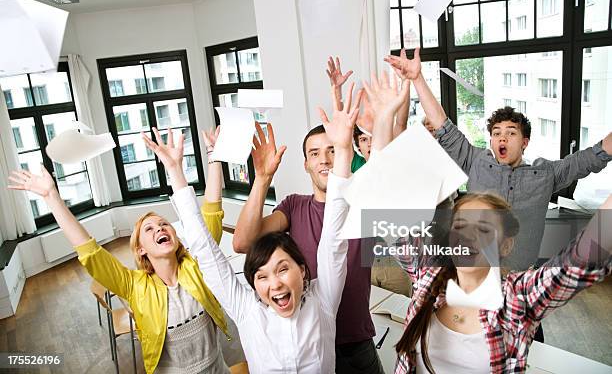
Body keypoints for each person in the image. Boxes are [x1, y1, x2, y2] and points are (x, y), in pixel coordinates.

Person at [364, 88, 612, 373]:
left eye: (483, 228)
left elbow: (584, 260)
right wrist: (383, 123)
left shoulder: (519, 300)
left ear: (505, 244)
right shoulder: (426, 277)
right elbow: (383, 204)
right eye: (461, 225)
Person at [145, 84, 359, 373]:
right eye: (262, 276)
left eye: (283, 269)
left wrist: (345, 150)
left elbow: (333, 238)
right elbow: (205, 252)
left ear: (303, 270)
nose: (275, 284)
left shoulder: (322, 299)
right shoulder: (246, 310)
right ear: (254, 285)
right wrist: (175, 172)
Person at [7, 128, 232, 374]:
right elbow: (91, 252)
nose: (159, 228)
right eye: (149, 229)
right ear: (142, 250)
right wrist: (52, 197)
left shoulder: (197, 266)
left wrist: (213, 156)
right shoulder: (134, 286)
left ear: (176, 236)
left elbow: (210, 214)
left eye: (163, 224)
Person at [385, 47, 612, 270]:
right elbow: (443, 126)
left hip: (520, 277)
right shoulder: (476, 161)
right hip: (473, 272)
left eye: (511, 133)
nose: (502, 138)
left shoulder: (545, 174)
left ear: (525, 142)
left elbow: (588, 159)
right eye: (496, 133)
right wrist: (417, 78)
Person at [232, 92, 386, 370]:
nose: (324, 160)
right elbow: (243, 241)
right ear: (306, 164)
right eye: (315, 153)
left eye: (332, 150)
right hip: (304, 339)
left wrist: (381, 128)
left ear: (344, 154)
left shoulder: (363, 203)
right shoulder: (294, 206)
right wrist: (263, 179)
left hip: (355, 341)